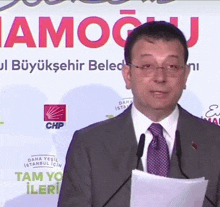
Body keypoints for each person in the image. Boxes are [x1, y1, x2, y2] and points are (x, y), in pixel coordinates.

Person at [58, 21, 220, 207]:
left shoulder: (215, 142)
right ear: (128, 75)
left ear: (185, 75)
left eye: (172, 67)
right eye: (147, 66)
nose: (160, 77)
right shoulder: (89, 145)